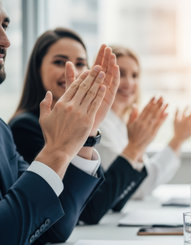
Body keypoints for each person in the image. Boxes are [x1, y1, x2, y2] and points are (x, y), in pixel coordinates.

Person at [9, 28, 166, 225]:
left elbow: (111, 201)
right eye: (59, 62)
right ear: (37, 68)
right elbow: (89, 211)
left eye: (81, 63)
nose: (71, 70)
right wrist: (133, 148)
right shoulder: (26, 127)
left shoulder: (77, 127)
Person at [0, 5, 121, 245]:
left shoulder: (2, 131)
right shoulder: (24, 125)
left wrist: (86, 138)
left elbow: (54, 228)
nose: (6, 40)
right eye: (60, 61)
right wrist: (58, 150)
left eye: (4, 26)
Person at [97, 45, 191, 199]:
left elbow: (143, 174)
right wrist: (177, 140)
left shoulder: (122, 125)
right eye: (120, 74)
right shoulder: (100, 127)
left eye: (135, 75)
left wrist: (177, 139)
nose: (129, 83)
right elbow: (136, 188)